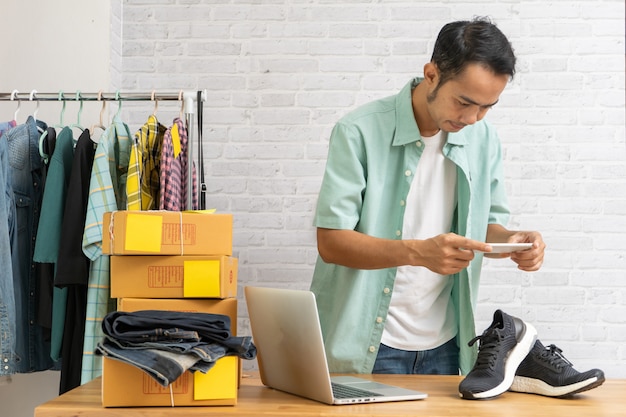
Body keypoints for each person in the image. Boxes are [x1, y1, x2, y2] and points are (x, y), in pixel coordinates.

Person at [310, 17, 546, 376]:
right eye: (464, 102)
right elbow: (331, 242)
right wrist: (418, 252)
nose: (472, 117)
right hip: (369, 346)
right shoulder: (358, 131)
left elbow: (484, 226)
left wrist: (512, 241)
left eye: (486, 107)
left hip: (449, 346)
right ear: (431, 74)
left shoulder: (484, 140)